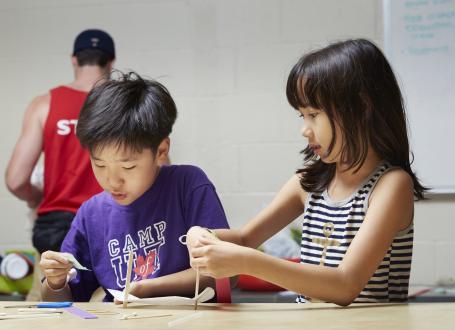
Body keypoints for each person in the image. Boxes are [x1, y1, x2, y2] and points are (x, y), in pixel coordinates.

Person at [186, 39, 426, 306]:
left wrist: (246, 261)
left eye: (314, 114)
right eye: (302, 116)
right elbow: (245, 238)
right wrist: (204, 235)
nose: (305, 129)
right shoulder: (308, 183)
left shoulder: (391, 185)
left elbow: (345, 284)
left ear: (361, 107)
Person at [39, 72, 229, 302]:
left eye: (128, 167)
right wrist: (55, 281)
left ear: (160, 151)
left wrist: (146, 288)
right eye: (99, 165)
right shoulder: (92, 214)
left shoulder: (187, 185)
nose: (113, 181)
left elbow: (224, 273)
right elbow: (62, 300)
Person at [5, 29, 116, 255]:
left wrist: (38, 197)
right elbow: (158, 167)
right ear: (111, 62)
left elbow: (15, 181)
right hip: (113, 223)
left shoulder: (44, 105)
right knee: (117, 291)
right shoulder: (124, 104)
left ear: (74, 59)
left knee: (57, 289)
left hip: (58, 229)